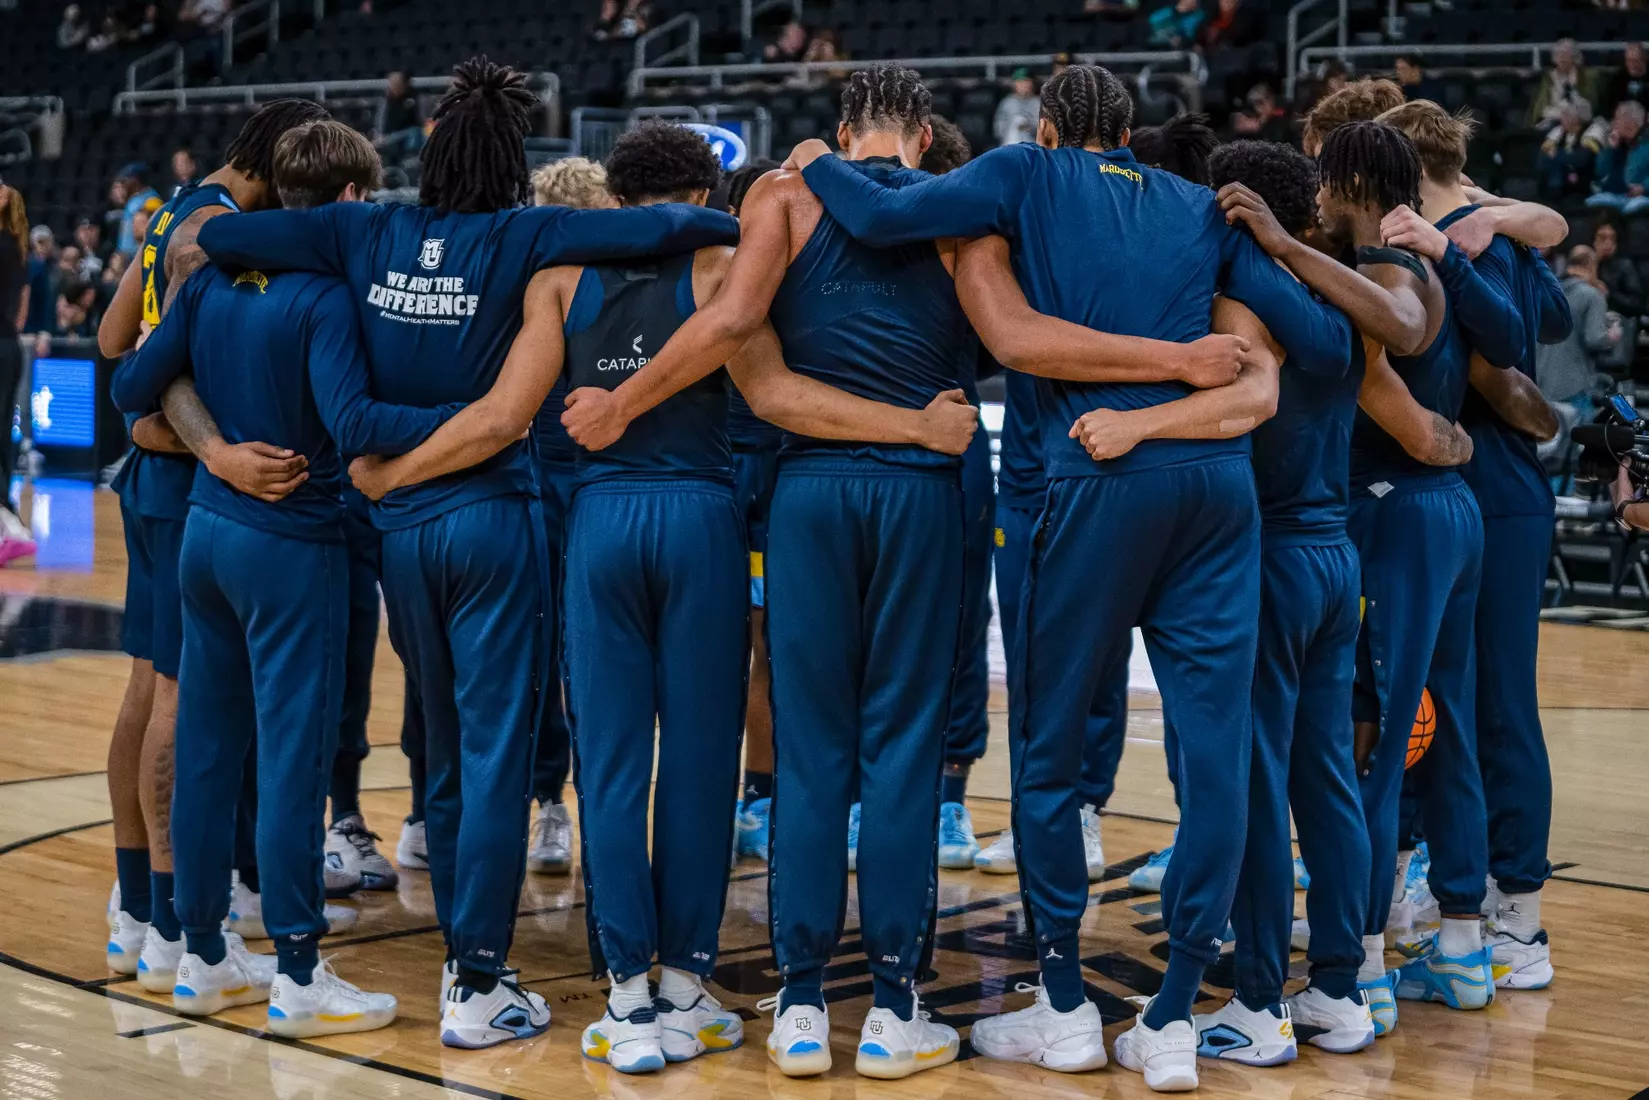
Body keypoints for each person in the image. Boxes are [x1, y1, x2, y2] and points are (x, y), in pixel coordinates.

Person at [356, 115, 978, 1075]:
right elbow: (769, 387)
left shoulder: (559, 276)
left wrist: (394, 475)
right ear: (707, 196)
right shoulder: (725, 260)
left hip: (599, 527)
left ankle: (626, 999)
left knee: (608, 763)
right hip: (699, 521)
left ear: (612, 198)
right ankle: (688, 986)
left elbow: (503, 417)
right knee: (697, 762)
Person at [784, 64, 1352, 1091]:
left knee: (1046, 751)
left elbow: (871, 213)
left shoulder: (1022, 173)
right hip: (1215, 488)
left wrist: (818, 155)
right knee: (1217, 750)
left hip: (1090, 479)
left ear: (1045, 128)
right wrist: (1252, 265)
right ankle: (1173, 1014)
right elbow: (1321, 342)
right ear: (1127, 132)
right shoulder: (1191, 203)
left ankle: (1060, 1006)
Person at [195, 57, 741, 1050]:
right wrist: (741, 213)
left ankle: (458, 962)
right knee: (495, 757)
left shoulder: (363, 229)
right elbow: (672, 226)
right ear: (511, 165)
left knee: (442, 751)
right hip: (494, 521)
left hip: (400, 533)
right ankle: (476, 976)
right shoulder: (527, 233)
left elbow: (222, 234)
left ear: (427, 157)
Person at [553, 66, 992, 1080]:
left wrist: (618, 404)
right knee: (899, 749)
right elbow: (1006, 339)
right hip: (917, 489)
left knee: (808, 749)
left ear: (839, 129)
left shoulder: (780, 196)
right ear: (922, 134)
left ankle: (797, 1004)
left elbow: (743, 345)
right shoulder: (961, 211)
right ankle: (889, 1005)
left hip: (804, 494)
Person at [107, 119, 446, 1037]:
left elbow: (131, 384)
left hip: (207, 539)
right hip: (294, 543)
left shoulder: (211, 274)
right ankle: (298, 969)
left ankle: (202, 953)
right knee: (292, 755)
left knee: (211, 744)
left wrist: (213, 450)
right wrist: (472, 416)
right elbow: (355, 419)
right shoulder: (329, 294)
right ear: (345, 203)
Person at [1234, 119, 1499, 1029]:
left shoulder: (1392, 267)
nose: (1312, 190)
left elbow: (1403, 324)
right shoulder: (1393, 260)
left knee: (1377, 743)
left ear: (1348, 179)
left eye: (1322, 177)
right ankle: (1463, 946)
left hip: (1394, 512)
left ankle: (1368, 966)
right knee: (1447, 728)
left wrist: (1274, 244)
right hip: (1441, 509)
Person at [96, 97, 340, 988]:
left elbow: (112, 336)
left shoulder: (176, 206)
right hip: (191, 487)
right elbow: (149, 370)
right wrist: (210, 446)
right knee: (177, 699)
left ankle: (137, 906)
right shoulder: (213, 229)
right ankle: (170, 918)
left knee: (146, 689)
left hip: (161, 486)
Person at [1175, 140, 1374, 1064]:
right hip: (1336, 555)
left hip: (1268, 558)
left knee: (1255, 784)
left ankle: (1258, 1002)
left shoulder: (1255, 290)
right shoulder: (1336, 284)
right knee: (1326, 779)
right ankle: (1339, 986)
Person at [1380, 99, 1573, 994]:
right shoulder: (1500, 227)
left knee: (1481, 708)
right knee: (1466, 708)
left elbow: (1505, 369)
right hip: (1497, 492)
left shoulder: (1451, 241)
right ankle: (1464, 896)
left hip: (1473, 487)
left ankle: (1517, 917)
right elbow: (1557, 331)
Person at [518, 155, 618, 877]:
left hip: (612, 477)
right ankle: (551, 801)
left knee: (602, 656)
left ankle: (598, 806)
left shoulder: (629, 280)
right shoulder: (535, 286)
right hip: (545, 475)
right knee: (547, 650)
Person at [1537, 246, 1618, 410]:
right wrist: (1612, 335)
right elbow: (1594, 339)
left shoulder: (1548, 293)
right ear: (1592, 266)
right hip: (1574, 388)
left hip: (1541, 385)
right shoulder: (1593, 295)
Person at [0, 177, 32, 567]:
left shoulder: (5, 245)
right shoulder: (15, 247)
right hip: (8, 345)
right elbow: (21, 314)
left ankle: (8, 525)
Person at [1595, 218, 1643, 369]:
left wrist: (1610, 293)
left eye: (1612, 239)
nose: (1607, 243)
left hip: (1618, 322)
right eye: (1602, 238)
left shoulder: (1625, 266)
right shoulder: (1584, 267)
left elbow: (1635, 305)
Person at [1587, 100, 1649, 213]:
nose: (1613, 122)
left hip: (1643, 197)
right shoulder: (1617, 143)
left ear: (1630, 122)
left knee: (1634, 209)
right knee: (1592, 202)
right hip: (1618, 195)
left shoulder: (1646, 143)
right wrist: (1610, 149)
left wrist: (1644, 187)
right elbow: (1600, 172)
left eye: (1617, 118)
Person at [1529, 40, 1600, 132]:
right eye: (1558, 55)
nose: (1562, 58)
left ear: (1575, 58)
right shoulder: (1549, 78)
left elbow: (1591, 106)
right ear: (1554, 59)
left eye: (1566, 54)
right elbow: (1541, 109)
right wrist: (1559, 114)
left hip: (1579, 120)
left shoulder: (1587, 76)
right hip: (1553, 120)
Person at [1538, 103, 1598, 199]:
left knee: (1556, 164)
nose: (1561, 119)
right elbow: (1544, 153)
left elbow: (1581, 159)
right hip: (1564, 176)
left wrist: (1557, 155)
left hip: (1585, 179)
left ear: (1576, 120)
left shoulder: (1591, 133)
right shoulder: (1559, 131)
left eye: (1566, 116)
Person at [375, 72, 424, 165]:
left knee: (415, 132)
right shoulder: (386, 100)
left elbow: (419, 121)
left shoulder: (413, 98)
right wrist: (380, 136)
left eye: (397, 84)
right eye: (392, 84)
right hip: (389, 136)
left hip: (407, 134)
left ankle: (409, 159)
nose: (394, 87)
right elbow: (380, 121)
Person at [112, 163, 159, 256]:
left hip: (139, 255)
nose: (124, 184)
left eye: (126, 180)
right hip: (125, 256)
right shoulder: (133, 199)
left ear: (135, 180)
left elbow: (152, 232)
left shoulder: (152, 199)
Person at [1597, 41, 1648, 120]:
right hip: (1621, 119)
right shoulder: (1618, 78)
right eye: (1629, 61)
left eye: (1636, 61)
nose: (1632, 65)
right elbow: (1608, 105)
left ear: (1645, 59)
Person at [994, 69, 1040, 146]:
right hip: (1009, 145)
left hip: (1032, 146)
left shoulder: (1038, 102)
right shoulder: (1007, 102)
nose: (1026, 85)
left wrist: (1030, 126)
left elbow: (1044, 128)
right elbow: (998, 129)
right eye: (1022, 82)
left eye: (1028, 81)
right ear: (1015, 84)